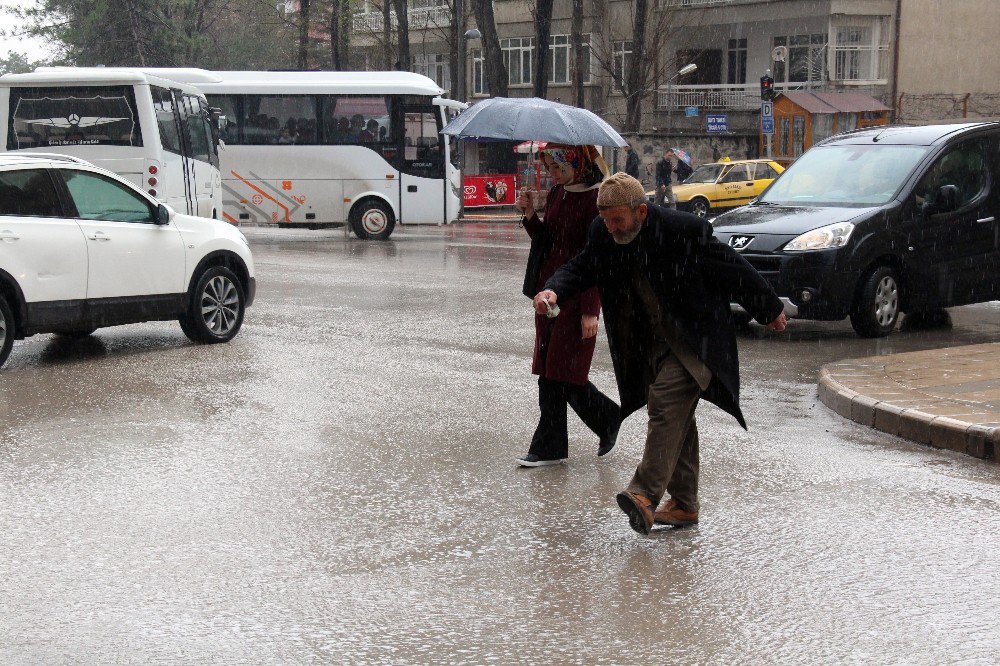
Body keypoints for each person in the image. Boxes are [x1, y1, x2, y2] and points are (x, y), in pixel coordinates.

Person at [532, 172, 787, 533]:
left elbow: (730, 267)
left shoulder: (682, 230)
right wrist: (553, 290)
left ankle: (645, 494)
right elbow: (583, 266)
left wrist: (769, 307)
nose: (611, 228)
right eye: (605, 220)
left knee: (666, 403)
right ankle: (683, 504)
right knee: (676, 416)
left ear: (641, 211)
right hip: (651, 341)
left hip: (695, 336)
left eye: (618, 220)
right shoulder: (603, 233)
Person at [515, 145, 622, 467]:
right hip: (549, 293)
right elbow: (548, 241)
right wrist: (530, 215)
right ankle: (591, 426)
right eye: (550, 168)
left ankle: (561, 440)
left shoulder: (597, 200)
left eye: (559, 168)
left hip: (577, 297)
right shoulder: (558, 194)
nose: (554, 175)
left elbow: (599, 259)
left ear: (578, 163)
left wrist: (591, 308)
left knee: (562, 373)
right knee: (550, 371)